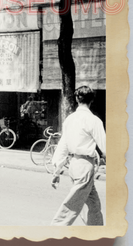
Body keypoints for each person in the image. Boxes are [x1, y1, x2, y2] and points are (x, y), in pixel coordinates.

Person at [50, 86, 106, 226]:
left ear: (76, 99)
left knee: (93, 204)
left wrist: (57, 170)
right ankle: (55, 230)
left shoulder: (70, 119)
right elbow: (105, 147)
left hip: (74, 164)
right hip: (85, 166)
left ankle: (96, 232)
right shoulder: (93, 120)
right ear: (92, 100)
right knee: (73, 203)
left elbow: (63, 144)